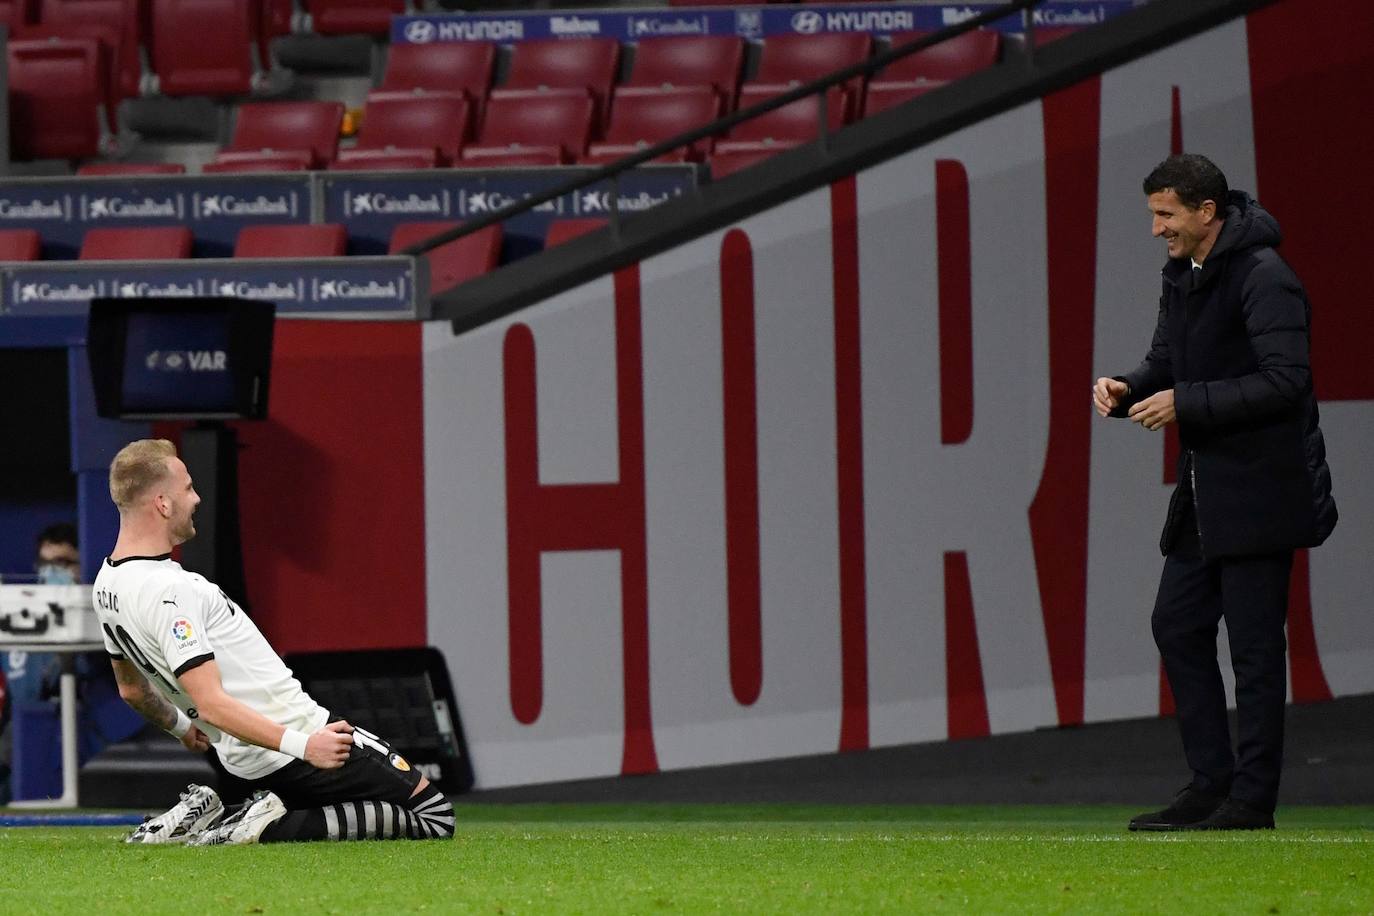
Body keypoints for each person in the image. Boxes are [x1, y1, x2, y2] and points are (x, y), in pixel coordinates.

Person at [1094, 154, 1337, 832]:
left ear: (1208, 211)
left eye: (1165, 215)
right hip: (1207, 492)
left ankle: (1251, 801)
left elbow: (1286, 380)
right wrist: (1128, 388)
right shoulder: (1184, 274)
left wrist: (1185, 403)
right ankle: (1210, 784)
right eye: (1153, 215)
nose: (1155, 230)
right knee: (1177, 624)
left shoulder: (1266, 277)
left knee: (1255, 650)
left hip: (1262, 490)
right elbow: (1167, 360)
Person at [92, 438, 454, 844]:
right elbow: (209, 702)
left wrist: (182, 728)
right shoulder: (171, 589)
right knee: (436, 817)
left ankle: (215, 815)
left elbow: (131, 691)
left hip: (243, 758)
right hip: (294, 739)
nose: (196, 498)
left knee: (353, 807)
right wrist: (305, 746)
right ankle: (262, 825)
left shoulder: (107, 583)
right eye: (188, 488)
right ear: (162, 504)